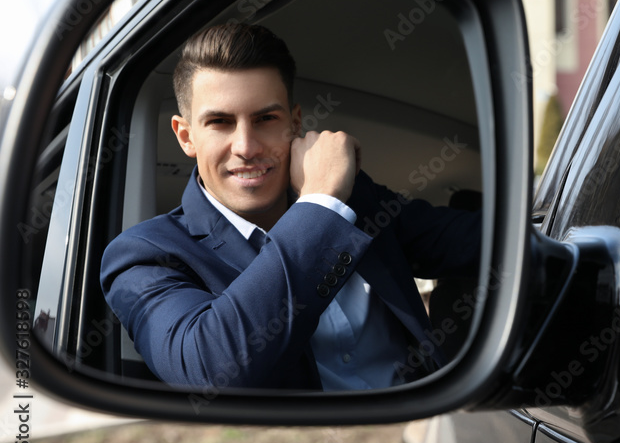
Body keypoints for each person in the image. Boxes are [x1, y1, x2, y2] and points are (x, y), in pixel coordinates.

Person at [100, 23, 481, 391]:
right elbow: (212, 371)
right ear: (186, 136)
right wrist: (321, 204)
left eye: (266, 119)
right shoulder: (142, 256)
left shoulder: (358, 198)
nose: (246, 147)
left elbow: (477, 243)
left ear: (294, 123)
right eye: (220, 122)